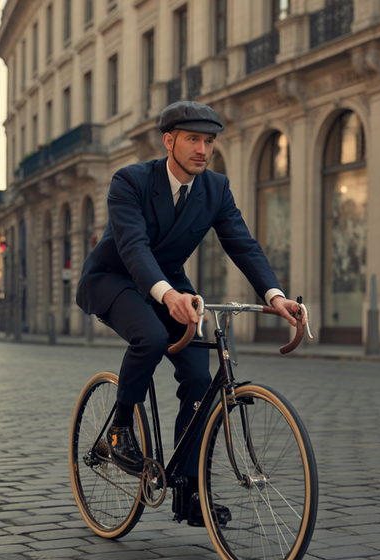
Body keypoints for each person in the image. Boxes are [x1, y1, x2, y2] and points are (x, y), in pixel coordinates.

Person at [76, 101, 301, 526]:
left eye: (209, 141)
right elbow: (133, 247)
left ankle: (188, 489)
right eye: (193, 139)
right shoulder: (130, 181)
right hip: (115, 278)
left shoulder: (215, 188)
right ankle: (120, 430)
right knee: (152, 337)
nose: (202, 149)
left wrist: (275, 294)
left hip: (171, 284)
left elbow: (242, 243)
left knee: (200, 377)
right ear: (169, 141)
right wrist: (165, 295)